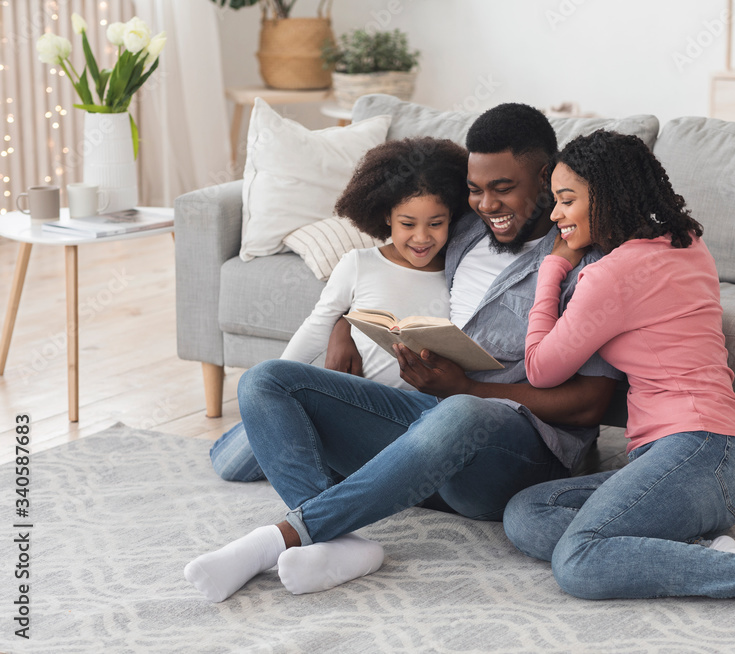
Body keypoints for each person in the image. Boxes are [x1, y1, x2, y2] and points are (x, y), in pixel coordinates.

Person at [185, 103, 622, 603]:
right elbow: (391, 242)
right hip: (431, 430)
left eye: (503, 189)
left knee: (460, 410)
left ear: (546, 178)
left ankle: (278, 538)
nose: (487, 204)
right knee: (267, 380)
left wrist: (469, 389)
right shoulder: (463, 229)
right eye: (475, 190)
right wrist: (343, 323)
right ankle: (338, 544)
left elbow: (590, 404)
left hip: (520, 454)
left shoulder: (591, 259)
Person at [503, 130, 735, 627]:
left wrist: (552, 269)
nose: (556, 216)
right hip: (705, 461)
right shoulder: (684, 241)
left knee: (577, 562)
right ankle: (701, 549)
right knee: (527, 511)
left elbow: (542, 369)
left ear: (605, 197)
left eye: (566, 201)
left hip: (698, 450)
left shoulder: (612, 273)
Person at [207, 137, 468, 483]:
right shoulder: (359, 264)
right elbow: (316, 327)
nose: (422, 237)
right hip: (346, 399)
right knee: (230, 466)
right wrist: (274, 385)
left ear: (452, 217)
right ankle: (276, 426)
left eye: (436, 223)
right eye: (408, 224)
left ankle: (307, 451)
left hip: (403, 415)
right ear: (386, 216)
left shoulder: (457, 273)